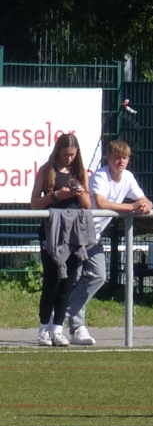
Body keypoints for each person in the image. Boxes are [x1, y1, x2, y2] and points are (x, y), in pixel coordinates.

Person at [69, 138, 153, 346]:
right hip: (77, 231)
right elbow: (101, 203)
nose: (121, 162)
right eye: (117, 158)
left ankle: (63, 314)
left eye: (125, 158)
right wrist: (132, 207)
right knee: (72, 279)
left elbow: (142, 199)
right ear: (108, 159)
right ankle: (74, 326)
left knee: (98, 275)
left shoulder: (128, 177)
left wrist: (146, 204)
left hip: (94, 236)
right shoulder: (100, 176)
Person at [31, 132, 95, 348]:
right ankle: (44, 328)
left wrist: (79, 193)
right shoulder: (46, 171)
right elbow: (34, 202)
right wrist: (57, 196)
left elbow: (87, 205)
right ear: (58, 151)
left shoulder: (80, 172)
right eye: (66, 154)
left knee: (67, 281)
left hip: (74, 232)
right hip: (52, 230)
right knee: (52, 280)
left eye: (73, 155)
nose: (69, 159)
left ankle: (58, 329)